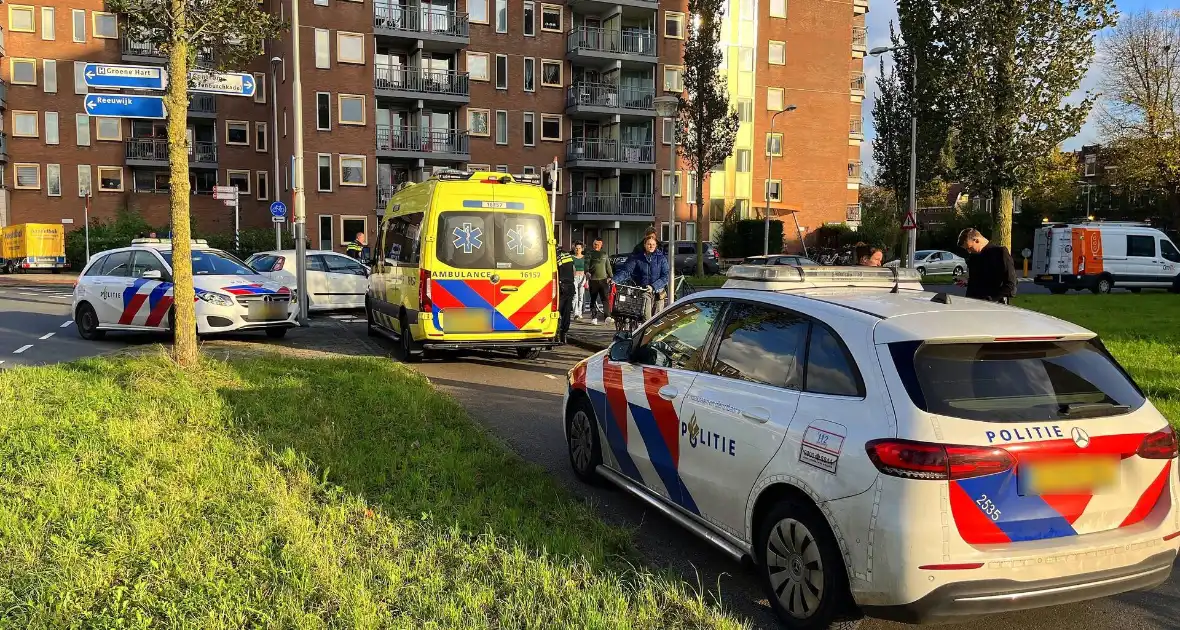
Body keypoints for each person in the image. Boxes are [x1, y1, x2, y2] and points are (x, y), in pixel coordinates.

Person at [613, 234, 670, 321]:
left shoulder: (661, 259)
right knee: (647, 317)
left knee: (658, 318)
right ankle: (647, 331)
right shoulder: (638, 258)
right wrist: (614, 279)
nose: (651, 246)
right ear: (645, 245)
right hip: (644, 291)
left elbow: (665, 276)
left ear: (656, 245)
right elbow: (627, 271)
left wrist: (654, 286)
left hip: (658, 292)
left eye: (653, 244)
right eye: (649, 244)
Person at [957, 228, 1017, 303]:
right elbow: (979, 281)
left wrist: (991, 299)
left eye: (970, 248)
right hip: (972, 304)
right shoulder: (973, 257)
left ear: (977, 240)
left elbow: (1010, 285)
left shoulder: (1000, 253)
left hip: (993, 306)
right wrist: (967, 282)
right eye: (966, 249)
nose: (969, 252)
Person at [586, 237, 613, 325]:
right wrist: (587, 272)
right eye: (594, 244)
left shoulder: (604, 254)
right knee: (593, 299)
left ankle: (607, 317)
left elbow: (608, 266)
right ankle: (594, 317)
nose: (596, 246)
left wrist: (611, 276)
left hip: (603, 280)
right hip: (593, 280)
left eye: (598, 244)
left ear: (601, 245)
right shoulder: (590, 253)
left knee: (605, 299)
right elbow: (586, 264)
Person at [556, 245, 576, 343]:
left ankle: (556, 334)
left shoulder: (556, 256)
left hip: (561, 286)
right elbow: (574, 270)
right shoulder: (568, 256)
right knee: (567, 312)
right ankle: (564, 334)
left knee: (556, 311)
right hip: (570, 286)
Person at [571, 242, 587, 320]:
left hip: (583, 278)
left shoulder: (585, 257)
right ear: (574, 249)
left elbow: (587, 268)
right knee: (575, 296)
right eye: (576, 248)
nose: (578, 250)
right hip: (574, 277)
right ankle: (575, 313)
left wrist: (586, 280)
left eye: (579, 248)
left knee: (581, 296)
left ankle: (580, 312)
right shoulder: (572, 257)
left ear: (582, 249)